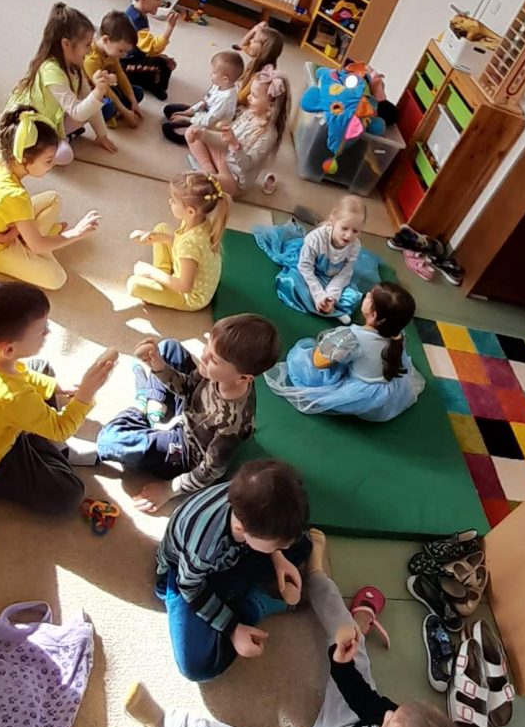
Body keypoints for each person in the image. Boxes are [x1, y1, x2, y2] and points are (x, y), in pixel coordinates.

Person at [126, 530, 475, 727]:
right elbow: (367, 703)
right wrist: (341, 665)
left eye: (387, 725)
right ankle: (318, 578)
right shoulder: (396, 725)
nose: (387, 715)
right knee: (353, 647)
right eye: (395, 714)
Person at [0, 281, 117, 516]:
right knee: (69, 494)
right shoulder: (11, 396)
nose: (48, 333)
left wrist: (56, 388)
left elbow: (19, 374)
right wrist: (85, 395)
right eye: (42, 331)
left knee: (42, 369)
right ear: (9, 349)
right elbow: (60, 428)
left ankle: (36, 436)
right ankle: (54, 450)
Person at [149, 458, 311, 682]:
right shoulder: (202, 548)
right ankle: (255, 604)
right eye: (277, 545)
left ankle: (242, 589)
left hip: (235, 552)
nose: (282, 547)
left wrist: (278, 557)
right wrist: (234, 629)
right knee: (197, 665)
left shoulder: (251, 500)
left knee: (302, 544)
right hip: (187, 576)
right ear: (241, 529)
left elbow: (280, 535)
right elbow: (191, 588)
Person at [96, 314, 280, 510]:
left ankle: (141, 406)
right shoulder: (214, 372)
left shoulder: (231, 424)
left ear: (243, 378)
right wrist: (158, 366)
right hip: (190, 411)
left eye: (214, 359)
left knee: (109, 440)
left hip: (187, 450)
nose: (204, 355)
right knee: (168, 348)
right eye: (208, 345)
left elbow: (210, 471)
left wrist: (169, 489)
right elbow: (188, 386)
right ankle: (155, 405)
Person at [0, 106, 101, 289]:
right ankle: (31, 240)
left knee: (53, 199)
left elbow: (4, 204)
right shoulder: (15, 195)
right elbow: (38, 244)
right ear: (23, 159)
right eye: (48, 160)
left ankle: (28, 237)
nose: (53, 164)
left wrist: (16, 229)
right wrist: (76, 233)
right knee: (57, 278)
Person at [266, 283, 425, 422]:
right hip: (389, 390)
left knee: (302, 360)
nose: (366, 296)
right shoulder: (397, 335)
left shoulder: (352, 337)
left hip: (362, 393)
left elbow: (318, 362)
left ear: (373, 315)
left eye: (369, 297)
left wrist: (329, 345)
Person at [5, 3, 116, 163]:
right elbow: (77, 112)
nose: (91, 50)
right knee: (64, 155)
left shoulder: (74, 64)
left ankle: (61, 137)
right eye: (87, 45)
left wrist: (101, 135)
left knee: (97, 106)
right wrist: (98, 91)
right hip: (32, 125)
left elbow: (86, 97)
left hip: (54, 118)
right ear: (66, 44)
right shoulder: (51, 70)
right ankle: (57, 140)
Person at [254, 194, 378, 321]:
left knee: (353, 296)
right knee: (292, 283)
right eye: (344, 228)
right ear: (334, 220)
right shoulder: (315, 239)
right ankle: (333, 311)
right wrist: (318, 295)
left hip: (331, 277)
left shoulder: (354, 245)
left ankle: (330, 307)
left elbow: (344, 274)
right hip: (308, 270)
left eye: (355, 231)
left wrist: (331, 296)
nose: (348, 235)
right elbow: (305, 267)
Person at [126, 171, 229, 311]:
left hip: (188, 296)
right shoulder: (199, 222)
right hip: (186, 269)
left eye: (174, 201)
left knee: (134, 285)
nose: (170, 202)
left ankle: (161, 278)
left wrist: (151, 272)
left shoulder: (190, 244)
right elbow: (181, 244)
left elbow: (184, 286)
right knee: (161, 228)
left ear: (191, 211)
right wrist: (157, 237)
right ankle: (163, 275)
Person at [185, 69, 290, 198]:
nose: (248, 97)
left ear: (271, 104)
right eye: (250, 93)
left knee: (200, 184)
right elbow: (223, 140)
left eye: (254, 96)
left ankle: (211, 177)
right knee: (191, 131)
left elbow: (245, 166)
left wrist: (234, 144)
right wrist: (202, 134)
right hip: (224, 159)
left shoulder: (269, 135)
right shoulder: (248, 115)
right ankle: (208, 170)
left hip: (235, 179)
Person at [161, 49, 243, 145]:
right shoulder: (218, 83)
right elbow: (205, 102)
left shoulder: (225, 99)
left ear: (225, 79)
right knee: (169, 109)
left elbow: (207, 122)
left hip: (208, 127)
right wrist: (188, 112)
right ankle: (185, 121)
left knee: (167, 129)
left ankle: (194, 138)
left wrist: (186, 119)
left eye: (214, 72)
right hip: (202, 114)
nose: (210, 73)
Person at [122, 0, 179, 100]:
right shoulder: (136, 21)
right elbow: (154, 47)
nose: (160, 3)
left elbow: (145, 47)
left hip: (134, 57)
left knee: (163, 60)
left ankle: (146, 79)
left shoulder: (135, 12)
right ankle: (153, 85)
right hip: (124, 65)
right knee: (164, 66)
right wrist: (170, 27)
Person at [83, 12, 143, 127]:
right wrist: (125, 112)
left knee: (138, 93)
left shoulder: (112, 53)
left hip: (109, 85)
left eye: (126, 51)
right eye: (121, 51)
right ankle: (116, 112)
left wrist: (132, 99)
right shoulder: (91, 60)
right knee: (108, 108)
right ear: (106, 40)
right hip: (93, 92)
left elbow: (120, 74)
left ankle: (119, 110)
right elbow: (105, 90)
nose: (124, 55)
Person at [234, 21, 284, 105]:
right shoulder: (258, 58)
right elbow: (243, 44)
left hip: (245, 105)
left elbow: (241, 99)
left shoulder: (261, 76)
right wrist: (255, 29)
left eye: (254, 40)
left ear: (263, 49)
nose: (250, 40)